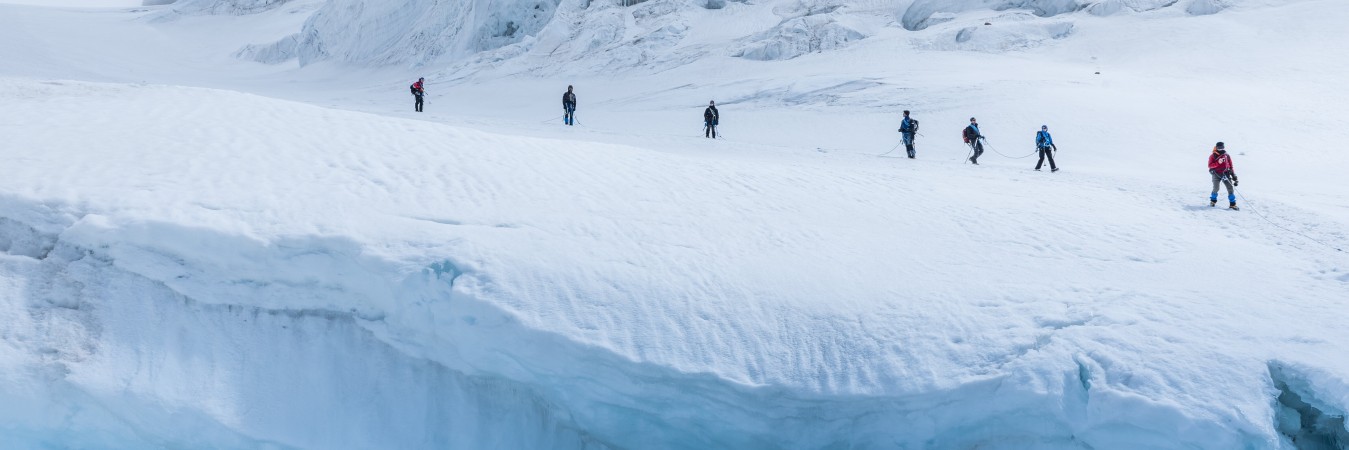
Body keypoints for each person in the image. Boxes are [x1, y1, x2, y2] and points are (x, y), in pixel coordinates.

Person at [1208, 142, 1239, 209]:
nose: (1221, 149)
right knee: (1216, 188)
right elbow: (1210, 165)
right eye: (1219, 148)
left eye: (1222, 147)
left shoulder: (1227, 155)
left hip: (1225, 174)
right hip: (1216, 174)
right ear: (1216, 147)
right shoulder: (1212, 156)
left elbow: (1230, 166)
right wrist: (1218, 163)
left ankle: (1232, 204)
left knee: (1230, 188)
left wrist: (1233, 175)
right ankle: (1213, 201)